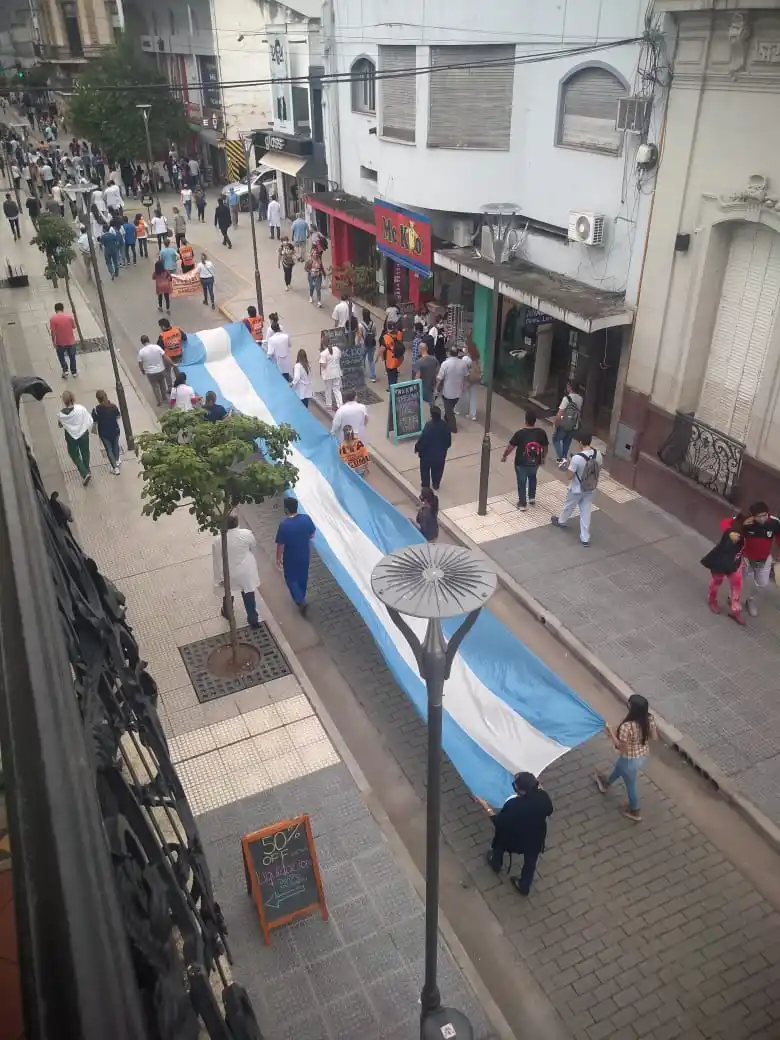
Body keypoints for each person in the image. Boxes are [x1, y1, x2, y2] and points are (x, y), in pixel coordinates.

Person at [484, 772, 554, 895]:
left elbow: (499, 822)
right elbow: (549, 810)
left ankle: (496, 863)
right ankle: (524, 885)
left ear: (521, 791)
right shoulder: (543, 797)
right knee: (531, 860)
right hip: (534, 836)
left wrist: (486, 806)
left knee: (500, 842)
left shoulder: (514, 805)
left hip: (513, 836)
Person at [595, 694, 657, 823]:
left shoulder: (626, 727)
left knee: (630, 783)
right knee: (620, 768)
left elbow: (622, 749)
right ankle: (605, 783)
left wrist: (610, 732)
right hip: (643, 755)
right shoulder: (649, 719)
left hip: (630, 759)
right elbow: (655, 737)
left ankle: (635, 810)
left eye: (629, 704)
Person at [551, 431, 603, 546]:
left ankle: (562, 521)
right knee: (586, 511)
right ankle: (585, 538)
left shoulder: (577, 458)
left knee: (568, 506)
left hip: (576, 489)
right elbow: (599, 469)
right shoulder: (598, 454)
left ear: (580, 442)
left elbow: (569, 476)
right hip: (590, 488)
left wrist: (568, 465)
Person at [213, 515, 261, 629]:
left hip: (229, 571)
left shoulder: (219, 540)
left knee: (229, 593)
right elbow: (253, 546)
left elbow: (217, 560)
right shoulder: (246, 534)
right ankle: (253, 619)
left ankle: (227, 612)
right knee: (248, 593)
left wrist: (219, 578)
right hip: (245, 571)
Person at [702, 513, 747, 625]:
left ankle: (735, 611)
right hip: (722, 563)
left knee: (737, 587)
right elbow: (725, 549)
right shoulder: (732, 534)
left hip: (735, 563)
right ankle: (712, 600)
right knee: (716, 582)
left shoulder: (747, 533)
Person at [501, 410, 549, 511]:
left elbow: (510, 447)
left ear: (525, 420)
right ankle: (531, 498)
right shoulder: (541, 433)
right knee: (532, 477)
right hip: (535, 461)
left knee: (521, 481)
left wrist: (504, 456)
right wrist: (543, 457)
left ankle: (522, 504)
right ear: (535, 421)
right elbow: (545, 447)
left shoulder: (520, 433)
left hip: (521, 462)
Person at [275, 497, 316, 614]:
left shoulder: (284, 524)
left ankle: (300, 600)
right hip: (304, 553)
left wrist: (278, 559)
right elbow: (312, 534)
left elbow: (281, 545)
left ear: (286, 509)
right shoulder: (306, 518)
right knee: (303, 575)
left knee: (291, 578)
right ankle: (302, 596)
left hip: (291, 556)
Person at [740, 502, 780, 617]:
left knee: (762, 584)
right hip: (746, 558)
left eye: (765, 515)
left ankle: (751, 602)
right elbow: (736, 537)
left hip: (764, 559)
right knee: (738, 580)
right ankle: (734, 597)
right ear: (752, 516)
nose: (762, 518)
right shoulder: (746, 523)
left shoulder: (774, 522)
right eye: (759, 516)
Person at [58, 390, 93, 485]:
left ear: (64, 401)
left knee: (74, 454)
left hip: (71, 436)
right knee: (85, 451)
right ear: (73, 398)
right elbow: (88, 418)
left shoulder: (62, 414)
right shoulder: (80, 408)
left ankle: (84, 472)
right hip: (83, 434)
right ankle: (87, 469)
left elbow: (60, 425)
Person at [414, 405, 452, 491]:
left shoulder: (429, 426)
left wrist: (417, 448)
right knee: (438, 470)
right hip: (440, 455)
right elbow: (448, 442)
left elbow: (423, 439)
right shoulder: (445, 426)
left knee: (425, 470)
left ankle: (426, 485)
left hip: (427, 455)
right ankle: (436, 484)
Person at [436, 347, 468, 432]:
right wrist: (464, 386)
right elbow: (465, 376)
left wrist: (436, 388)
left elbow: (440, 378)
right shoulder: (463, 364)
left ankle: (453, 427)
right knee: (450, 407)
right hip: (458, 391)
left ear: (449, 353)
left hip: (447, 391)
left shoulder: (445, 364)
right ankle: (447, 418)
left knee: (449, 410)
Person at [552, 381, 584, 466]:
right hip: (574, 424)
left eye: (567, 386)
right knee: (567, 441)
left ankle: (562, 459)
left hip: (564, 423)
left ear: (570, 387)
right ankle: (564, 458)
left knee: (555, 439)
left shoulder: (566, 398)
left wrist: (555, 423)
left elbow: (560, 414)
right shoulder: (580, 399)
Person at [92, 389, 121, 474]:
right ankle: (117, 460)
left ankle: (115, 468)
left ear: (98, 399)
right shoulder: (113, 406)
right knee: (116, 445)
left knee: (109, 449)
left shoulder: (96, 410)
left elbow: (95, 421)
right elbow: (118, 416)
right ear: (106, 396)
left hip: (104, 433)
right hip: (115, 429)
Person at [138, 333, 171, 405]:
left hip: (150, 372)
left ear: (142, 342)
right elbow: (165, 356)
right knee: (162, 384)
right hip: (161, 370)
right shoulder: (157, 347)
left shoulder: (141, 352)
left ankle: (160, 402)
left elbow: (140, 363)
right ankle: (165, 398)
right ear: (148, 340)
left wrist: (142, 370)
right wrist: (171, 364)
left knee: (155, 387)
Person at [49, 302, 78, 379]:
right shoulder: (69, 317)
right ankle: (74, 372)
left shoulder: (53, 319)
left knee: (61, 357)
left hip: (60, 342)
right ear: (63, 309)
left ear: (55, 310)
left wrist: (53, 341)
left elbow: (53, 332)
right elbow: (74, 327)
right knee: (72, 357)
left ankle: (65, 370)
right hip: (71, 341)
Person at [457, 343, 482, 422]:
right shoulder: (477, 359)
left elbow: (462, 369)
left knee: (460, 393)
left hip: (467, 379)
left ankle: (457, 409)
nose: (464, 348)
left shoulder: (466, 358)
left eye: (465, 347)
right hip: (475, 379)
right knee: (473, 397)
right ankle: (473, 414)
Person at [319, 337, 343, 410]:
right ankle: (340, 404)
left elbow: (324, 365)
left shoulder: (323, 353)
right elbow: (340, 357)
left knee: (328, 389)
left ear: (323, 344)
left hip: (328, 374)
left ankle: (329, 404)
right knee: (337, 389)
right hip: (337, 372)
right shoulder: (336, 349)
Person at [416, 341, 438, 408]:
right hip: (432, 385)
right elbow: (437, 372)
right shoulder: (434, 359)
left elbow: (417, 376)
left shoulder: (419, 362)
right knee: (432, 403)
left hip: (423, 386)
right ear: (427, 348)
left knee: (419, 403)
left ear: (420, 349)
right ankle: (434, 415)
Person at [357, 308, 377, 381]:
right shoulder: (373, 324)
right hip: (371, 344)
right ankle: (372, 376)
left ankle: (362, 374)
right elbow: (375, 334)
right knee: (371, 360)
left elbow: (359, 336)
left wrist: (357, 344)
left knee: (362, 359)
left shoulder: (360, 325)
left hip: (363, 344)